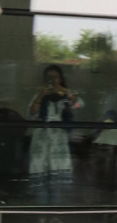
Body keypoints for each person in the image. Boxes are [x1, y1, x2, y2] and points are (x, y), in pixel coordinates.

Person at [27, 64, 80, 205]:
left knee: (56, 184)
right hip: (41, 140)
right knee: (41, 183)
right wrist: (41, 95)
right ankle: (42, 217)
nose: (52, 80)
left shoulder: (65, 96)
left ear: (61, 78)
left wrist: (63, 90)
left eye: (55, 77)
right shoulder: (40, 94)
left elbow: (78, 105)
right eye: (49, 77)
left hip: (58, 141)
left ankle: (54, 216)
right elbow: (32, 112)